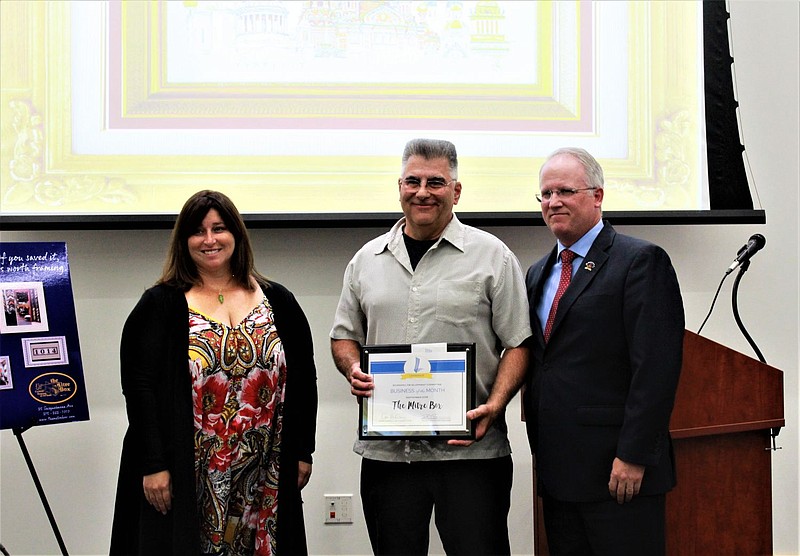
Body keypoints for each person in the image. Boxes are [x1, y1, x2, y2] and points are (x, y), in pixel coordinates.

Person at [330, 138, 532, 555]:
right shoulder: (367, 260)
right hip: (389, 454)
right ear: (399, 186)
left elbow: (518, 343)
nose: (423, 191)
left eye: (436, 182)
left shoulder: (493, 256)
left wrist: (495, 405)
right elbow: (343, 336)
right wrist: (353, 368)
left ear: (456, 191)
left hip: (471, 454)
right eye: (413, 181)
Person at [110, 190, 318, 555]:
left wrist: (303, 451)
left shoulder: (278, 300)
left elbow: (304, 380)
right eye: (198, 231)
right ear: (183, 241)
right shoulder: (159, 305)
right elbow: (138, 388)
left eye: (219, 228)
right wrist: (154, 464)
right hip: (186, 473)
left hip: (263, 469)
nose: (209, 240)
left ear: (236, 234)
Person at [523, 147, 684, 555]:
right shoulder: (538, 272)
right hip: (560, 475)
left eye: (565, 190)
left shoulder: (640, 261)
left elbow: (656, 369)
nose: (553, 201)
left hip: (618, 474)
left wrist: (633, 455)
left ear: (597, 196)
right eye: (545, 193)